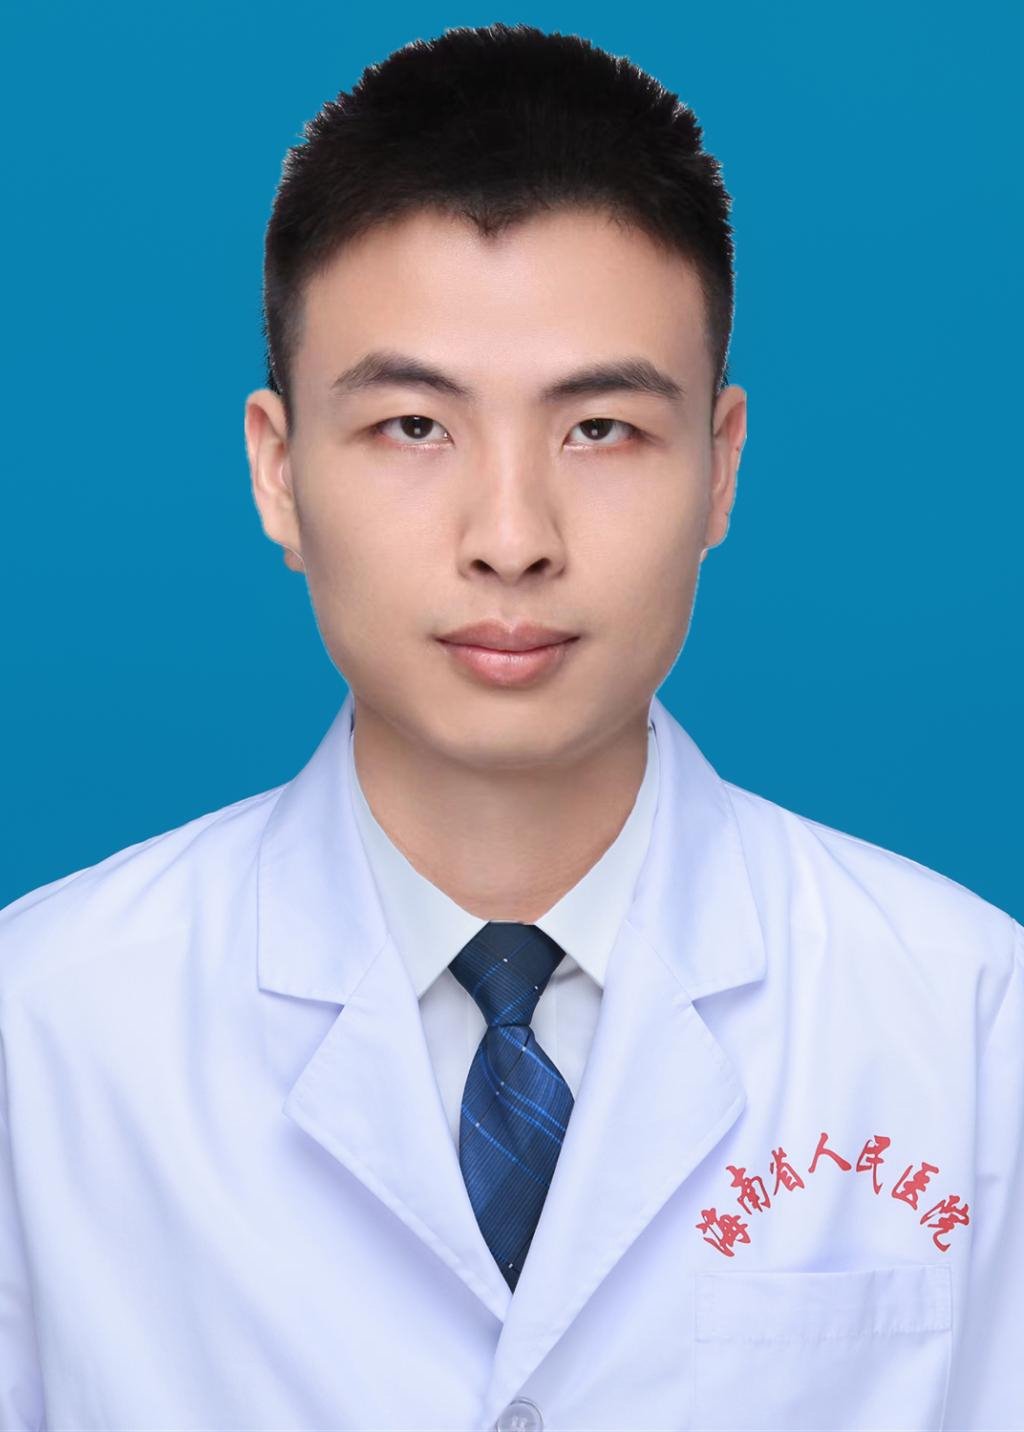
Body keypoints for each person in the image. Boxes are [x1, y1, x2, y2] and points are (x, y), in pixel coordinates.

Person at [1, 21, 1020, 1432]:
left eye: (599, 429)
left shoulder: (969, 1021)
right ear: (279, 473)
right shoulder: (42, 1031)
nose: (511, 536)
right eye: (414, 427)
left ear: (720, 468)